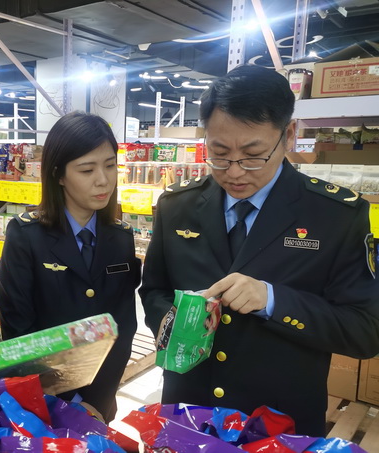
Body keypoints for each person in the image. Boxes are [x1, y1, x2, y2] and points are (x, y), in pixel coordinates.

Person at [140, 64, 379, 437]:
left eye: (253, 155)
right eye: (219, 153)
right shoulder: (177, 206)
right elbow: (154, 289)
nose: (234, 172)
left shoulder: (336, 216)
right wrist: (177, 323)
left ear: (289, 135)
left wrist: (272, 300)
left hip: (278, 425)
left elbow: (364, 332)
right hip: (189, 412)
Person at [0, 111, 141, 423]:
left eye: (110, 165)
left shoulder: (120, 237)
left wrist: (97, 402)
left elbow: (123, 327)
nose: (103, 180)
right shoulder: (26, 236)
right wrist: (67, 402)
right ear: (58, 175)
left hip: (100, 406)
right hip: (44, 405)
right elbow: (19, 331)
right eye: (87, 169)